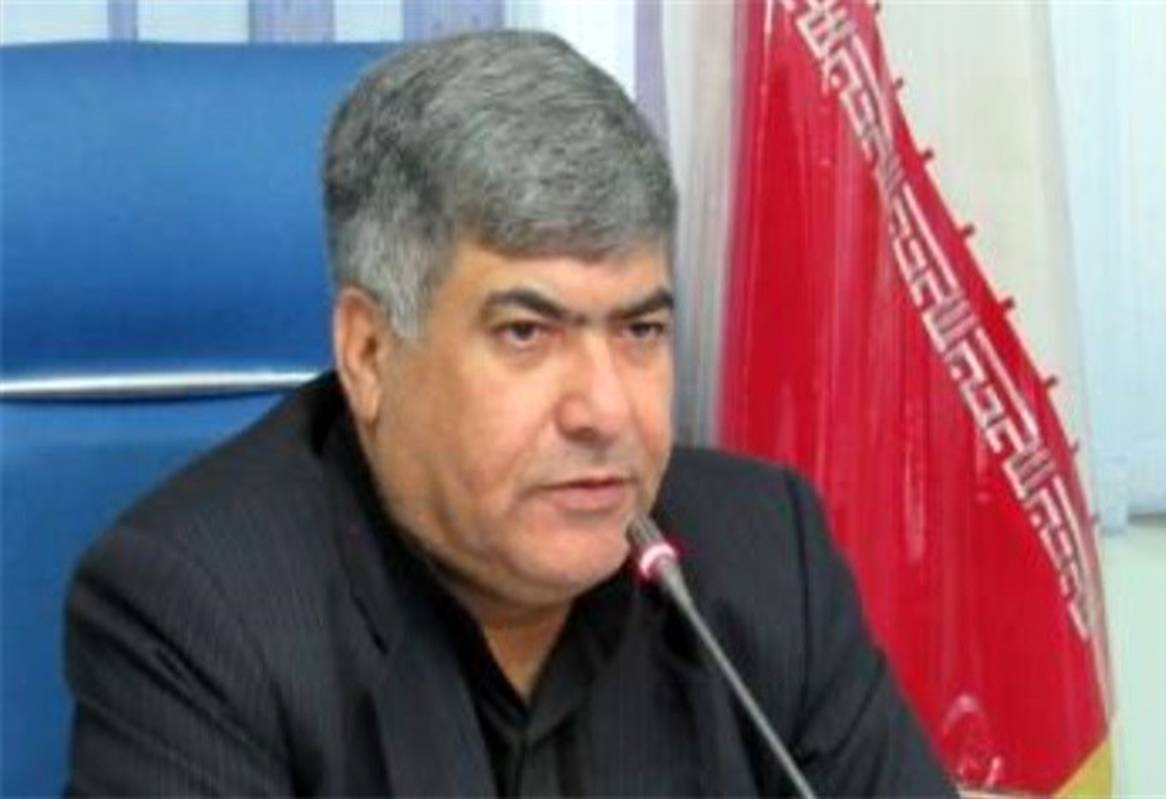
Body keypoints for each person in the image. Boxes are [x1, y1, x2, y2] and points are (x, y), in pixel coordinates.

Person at [64, 30, 955, 796]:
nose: (605, 410)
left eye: (640, 329)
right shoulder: (200, 616)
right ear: (369, 353)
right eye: (527, 332)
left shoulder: (765, 560)